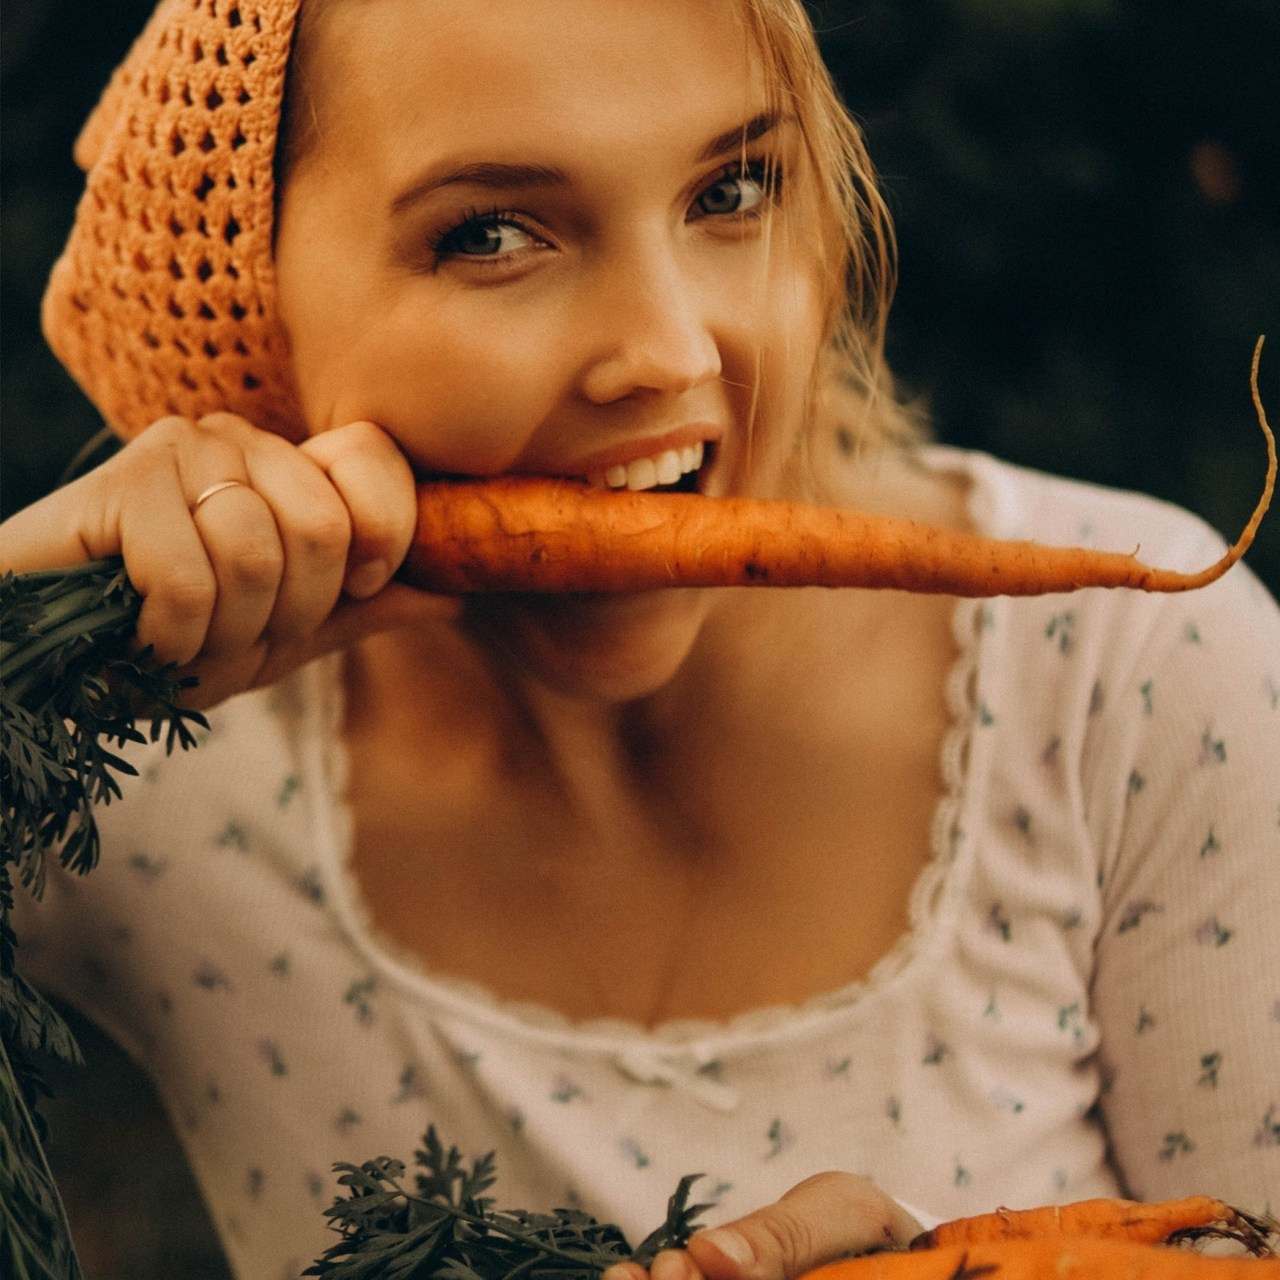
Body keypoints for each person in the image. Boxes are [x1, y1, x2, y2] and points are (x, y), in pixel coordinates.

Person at [3, 0, 1278, 1277]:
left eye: (732, 188)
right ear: (249, 294)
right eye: (490, 233)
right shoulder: (147, 759)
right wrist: (20, 630)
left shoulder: (1126, 678)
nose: (669, 353)